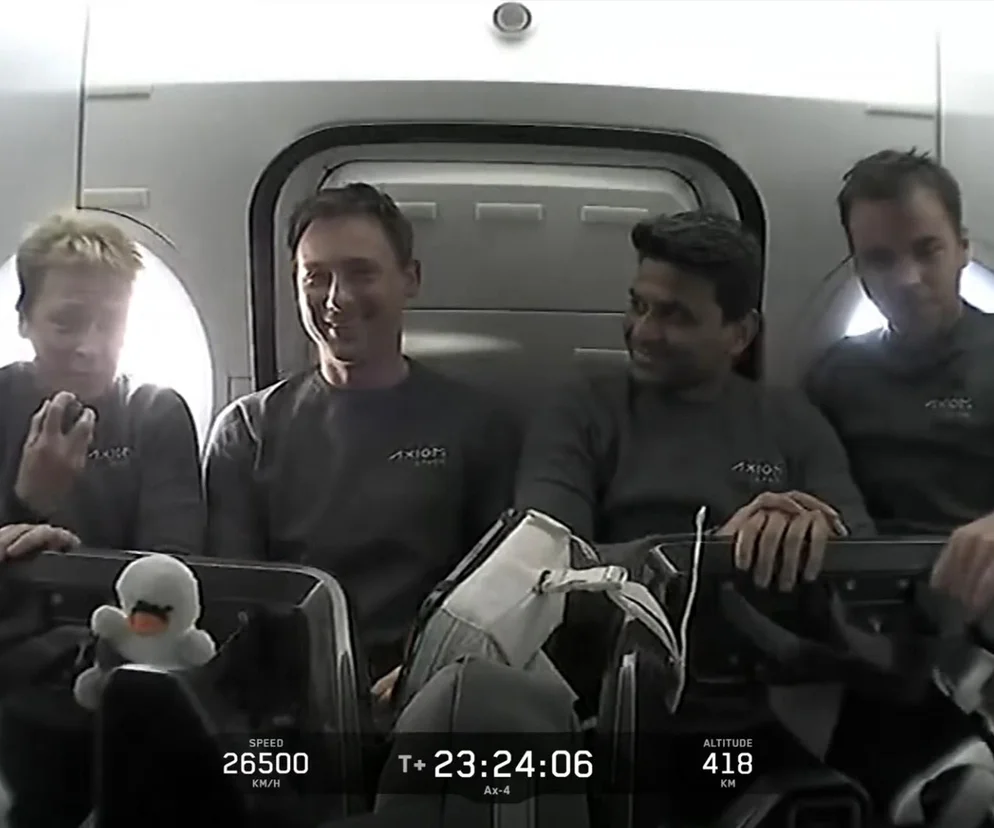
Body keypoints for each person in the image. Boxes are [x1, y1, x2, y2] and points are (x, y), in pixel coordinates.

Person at [203, 184, 520, 688]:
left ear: (410, 279)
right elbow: (235, 605)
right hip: (290, 697)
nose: (337, 298)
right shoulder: (247, 431)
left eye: (361, 273)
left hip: (436, 689)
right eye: (316, 277)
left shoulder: (478, 425)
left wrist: (424, 674)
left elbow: (494, 594)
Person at [517, 210, 874, 589]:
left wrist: (814, 535)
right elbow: (543, 563)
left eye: (674, 316)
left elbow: (864, 552)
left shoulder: (792, 422)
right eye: (638, 306)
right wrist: (710, 554)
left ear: (740, 333)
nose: (643, 332)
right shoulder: (582, 411)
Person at [804, 150, 994, 619]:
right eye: (880, 259)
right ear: (858, 269)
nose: (908, 279)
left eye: (927, 251)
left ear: (963, 248)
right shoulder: (834, 377)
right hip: (869, 614)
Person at [0, 211, 204, 558]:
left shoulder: (154, 414)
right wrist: (29, 503)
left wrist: (79, 565)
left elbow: (171, 565)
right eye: (67, 323)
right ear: (24, 320)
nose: (91, 348)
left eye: (110, 323)